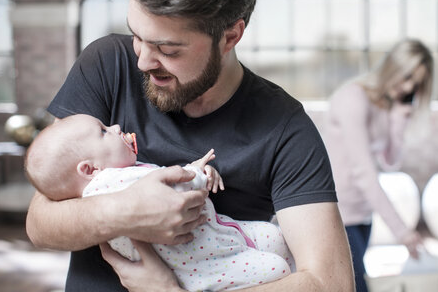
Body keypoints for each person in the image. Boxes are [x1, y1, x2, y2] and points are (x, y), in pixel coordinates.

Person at [25, 0, 354, 291]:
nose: (142, 61)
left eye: (167, 50)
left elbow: (331, 283)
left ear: (230, 36)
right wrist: (125, 211)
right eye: (138, 37)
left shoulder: (285, 128)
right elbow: (40, 224)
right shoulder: (107, 64)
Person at [25, 113, 294, 291]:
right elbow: (170, 193)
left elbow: (160, 181)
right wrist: (197, 175)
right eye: (104, 132)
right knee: (277, 268)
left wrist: (193, 169)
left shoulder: (122, 175)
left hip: (217, 235)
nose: (116, 127)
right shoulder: (105, 186)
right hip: (202, 265)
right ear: (89, 170)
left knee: (275, 238)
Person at [325, 38, 434, 292]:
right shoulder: (353, 98)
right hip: (338, 213)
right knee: (355, 286)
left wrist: (398, 121)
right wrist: (402, 232)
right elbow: (365, 174)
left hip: (363, 214)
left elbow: (390, 162)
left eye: (416, 84)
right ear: (392, 67)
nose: (408, 87)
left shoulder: (386, 105)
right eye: (406, 77)